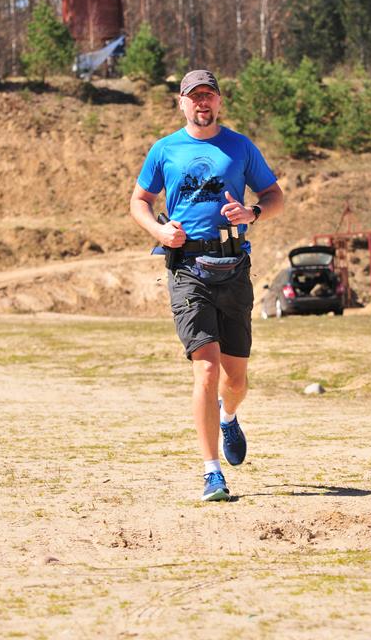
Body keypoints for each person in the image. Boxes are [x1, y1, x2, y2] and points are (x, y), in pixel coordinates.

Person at [130, 69, 284, 501]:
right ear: (181, 102)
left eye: (208, 96)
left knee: (235, 379)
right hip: (186, 268)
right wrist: (159, 232)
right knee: (207, 369)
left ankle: (228, 416)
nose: (202, 102)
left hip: (232, 267)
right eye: (194, 96)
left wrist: (253, 213)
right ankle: (212, 473)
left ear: (218, 101)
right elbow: (139, 201)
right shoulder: (164, 150)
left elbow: (275, 196)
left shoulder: (240, 146)